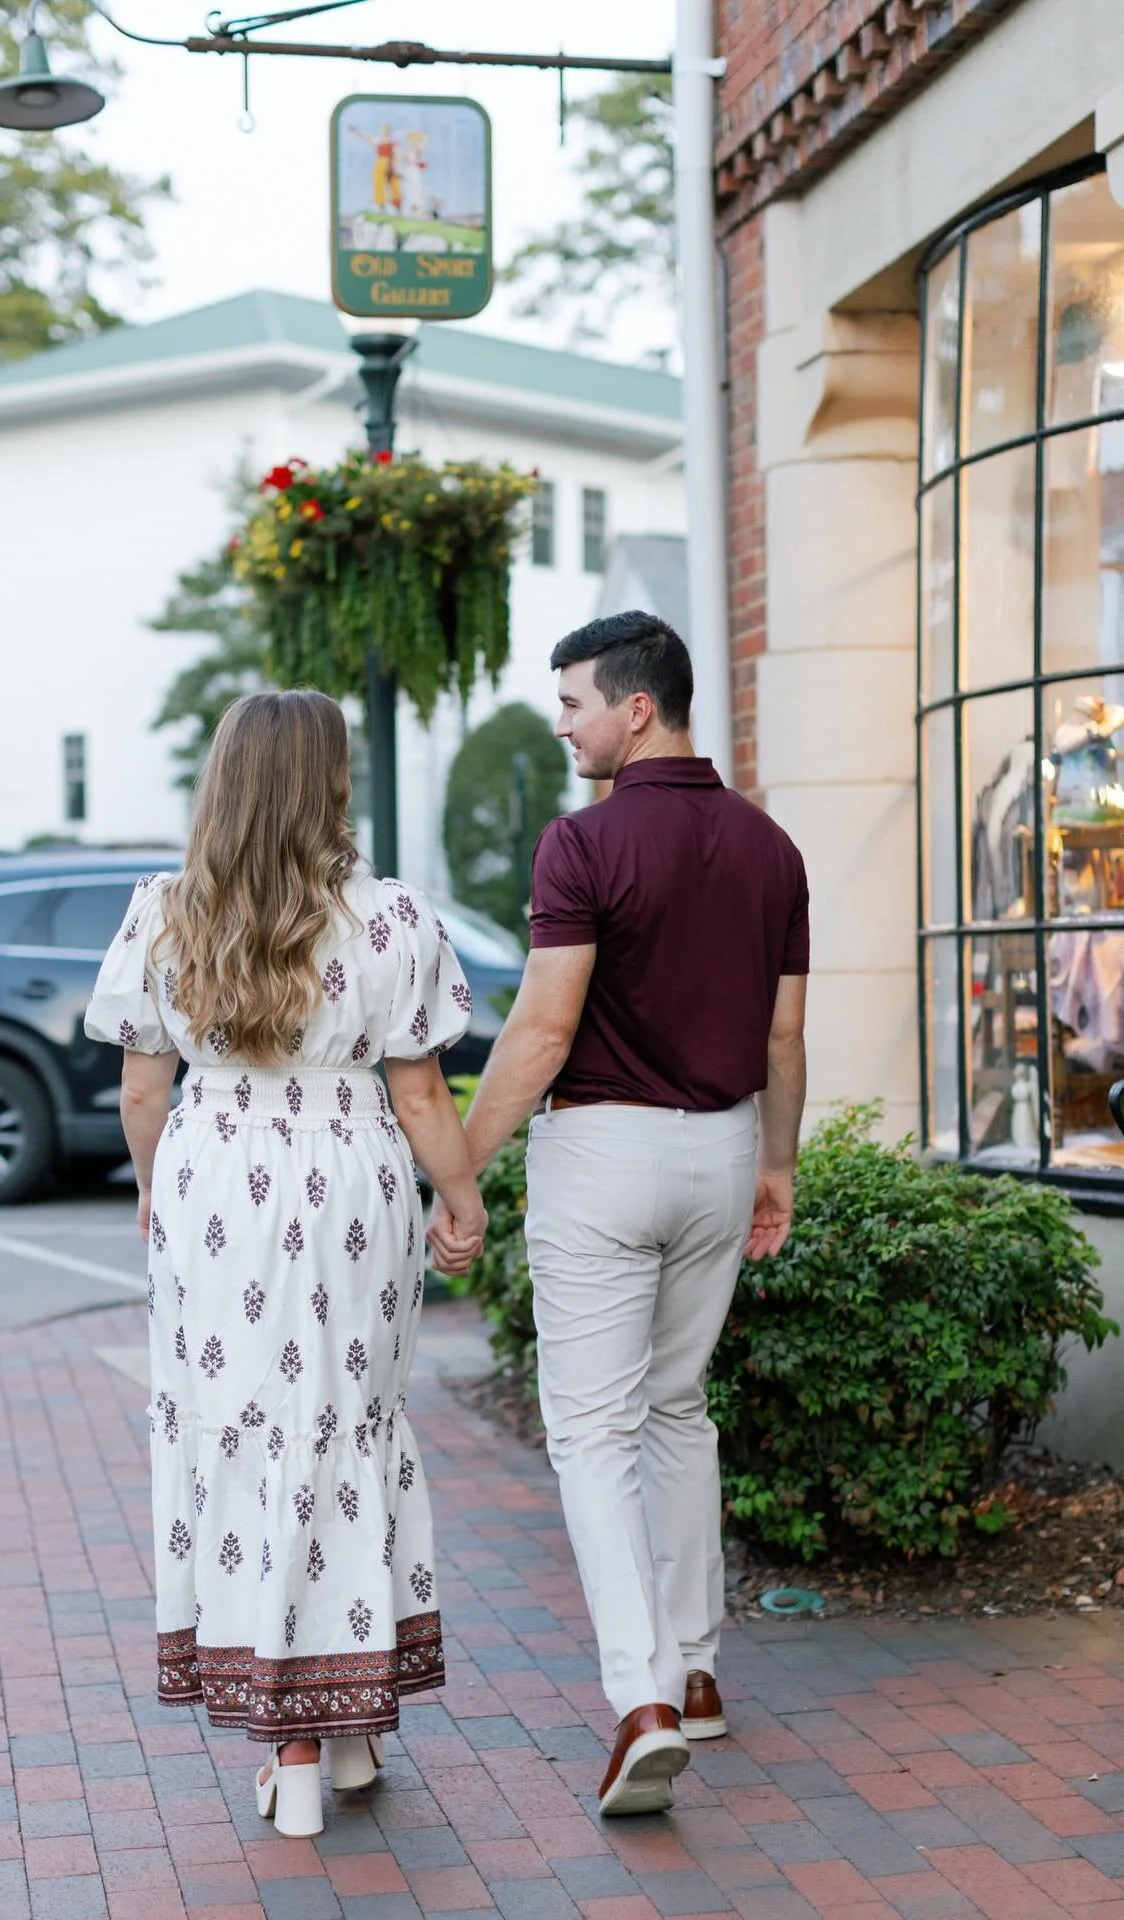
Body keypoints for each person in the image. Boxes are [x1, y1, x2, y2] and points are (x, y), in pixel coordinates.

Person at [85, 690, 486, 1838]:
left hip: (217, 1177)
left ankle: (297, 1741)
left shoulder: (165, 914)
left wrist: (158, 1191)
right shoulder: (392, 916)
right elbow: (419, 1090)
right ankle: (344, 1727)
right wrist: (461, 1199)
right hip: (352, 1175)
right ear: (331, 784)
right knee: (344, 1425)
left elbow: (141, 1086)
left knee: (244, 1429)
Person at [433, 611, 808, 1817]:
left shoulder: (581, 845)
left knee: (592, 1433)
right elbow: (785, 1036)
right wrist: (780, 1166)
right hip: (725, 1146)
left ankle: (641, 1700)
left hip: (602, 1151)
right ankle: (697, 1672)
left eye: (575, 704)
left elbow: (542, 1030)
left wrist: (463, 1168)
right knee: (676, 1408)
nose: (564, 725)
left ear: (636, 707)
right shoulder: (773, 848)